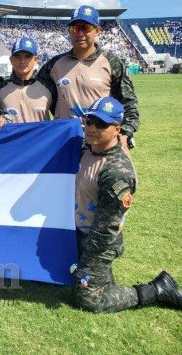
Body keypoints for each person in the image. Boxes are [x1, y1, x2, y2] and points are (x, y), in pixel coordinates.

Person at [73, 96, 182, 312]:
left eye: (101, 124)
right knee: (76, 277)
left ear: (117, 129)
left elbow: (106, 228)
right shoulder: (88, 149)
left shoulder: (116, 172)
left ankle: (158, 289)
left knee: (88, 299)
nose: (92, 128)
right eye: (89, 120)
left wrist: (88, 260)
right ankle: (99, 279)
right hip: (79, 231)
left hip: (98, 240)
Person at [37, 5, 139, 151]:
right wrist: (0, 84)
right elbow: (31, 88)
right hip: (64, 140)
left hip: (101, 141)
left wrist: (126, 132)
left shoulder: (112, 62)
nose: (79, 33)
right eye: (74, 28)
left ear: (97, 30)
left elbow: (128, 102)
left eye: (85, 27)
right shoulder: (54, 65)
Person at [0, 37, 53, 123]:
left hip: (42, 136)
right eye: (17, 57)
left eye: (27, 57)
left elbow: (62, 117)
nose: (22, 61)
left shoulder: (49, 87)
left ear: (36, 60)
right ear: (11, 60)